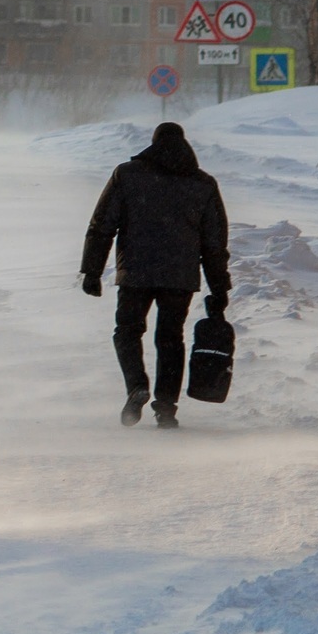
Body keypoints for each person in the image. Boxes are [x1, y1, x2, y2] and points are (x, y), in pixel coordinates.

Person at [79, 122, 231, 429]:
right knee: (170, 338)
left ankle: (137, 385)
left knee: (127, 330)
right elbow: (214, 244)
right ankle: (166, 407)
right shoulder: (202, 184)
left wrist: (92, 271)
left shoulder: (128, 175)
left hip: (136, 271)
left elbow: (102, 226)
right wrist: (219, 288)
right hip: (179, 275)